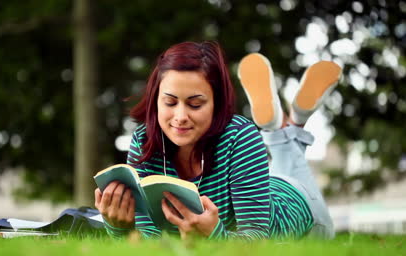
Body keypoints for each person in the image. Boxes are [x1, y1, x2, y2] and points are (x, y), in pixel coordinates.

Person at [94, 41, 341, 240]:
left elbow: (257, 238)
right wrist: (120, 227)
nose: (180, 117)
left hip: (300, 208)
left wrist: (214, 235)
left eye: (195, 104)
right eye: (169, 102)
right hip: (259, 184)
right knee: (284, 151)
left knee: (289, 155)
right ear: (156, 100)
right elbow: (150, 241)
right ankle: (286, 126)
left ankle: (291, 127)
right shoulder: (144, 141)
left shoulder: (240, 136)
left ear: (217, 104)